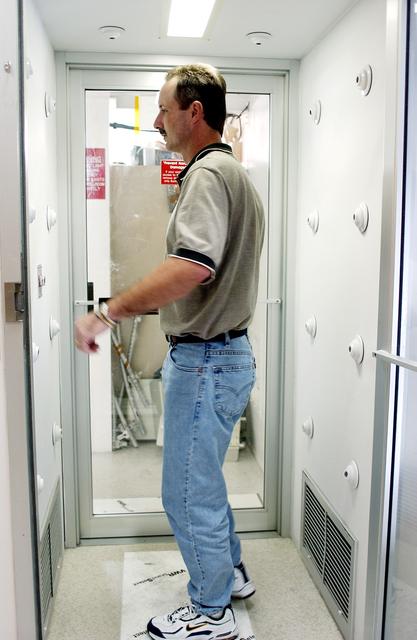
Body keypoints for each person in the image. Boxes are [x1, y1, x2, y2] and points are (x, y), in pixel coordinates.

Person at [75, 63, 265, 640]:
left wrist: (111, 311)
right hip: (222, 356)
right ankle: (229, 575)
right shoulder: (228, 172)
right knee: (200, 478)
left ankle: (210, 614)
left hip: (207, 361)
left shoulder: (209, 175)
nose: (156, 121)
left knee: (185, 486)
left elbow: (191, 267)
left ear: (194, 112)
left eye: (163, 109)